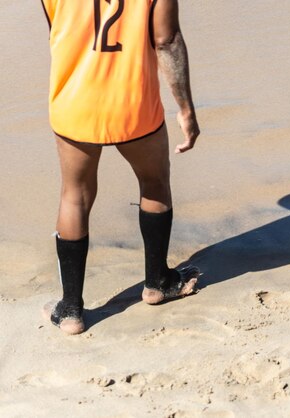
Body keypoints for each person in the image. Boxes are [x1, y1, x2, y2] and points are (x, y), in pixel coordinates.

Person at [40, 0, 200, 335]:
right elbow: (166, 41)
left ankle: (70, 310)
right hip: (134, 104)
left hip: (75, 102)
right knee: (154, 182)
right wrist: (185, 108)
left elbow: (58, 31)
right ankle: (158, 282)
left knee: (75, 197)